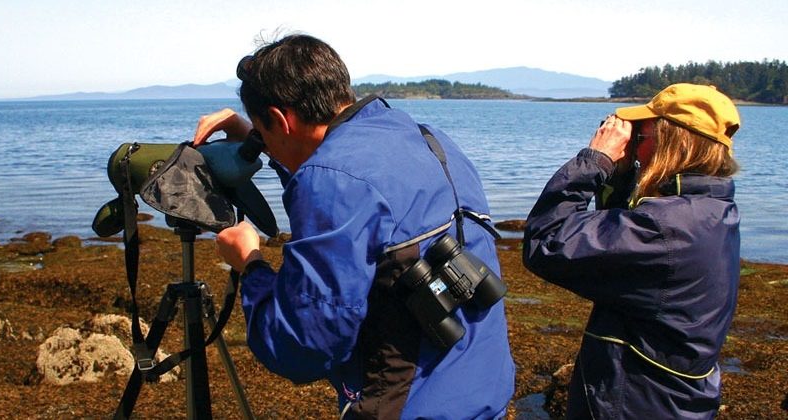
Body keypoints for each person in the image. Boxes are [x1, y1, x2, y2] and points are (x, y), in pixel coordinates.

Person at [192, 34, 515, 419]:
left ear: (280, 119)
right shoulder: (427, 138)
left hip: (409, 408)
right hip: (481, 391)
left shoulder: (331, 180)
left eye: (267, 132)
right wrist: (255, 136)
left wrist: (252, 265)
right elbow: (348, 184)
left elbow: (301, 348)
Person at [522, 83, 741, 419]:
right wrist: (622, 176)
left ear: (673, 145)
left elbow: (547, 243)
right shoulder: (711, 210)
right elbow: (617, 237)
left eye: (641, 138)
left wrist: (596, 160)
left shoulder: (665, 228)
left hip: (635, 405)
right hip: (674, 402)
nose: (634, 148)